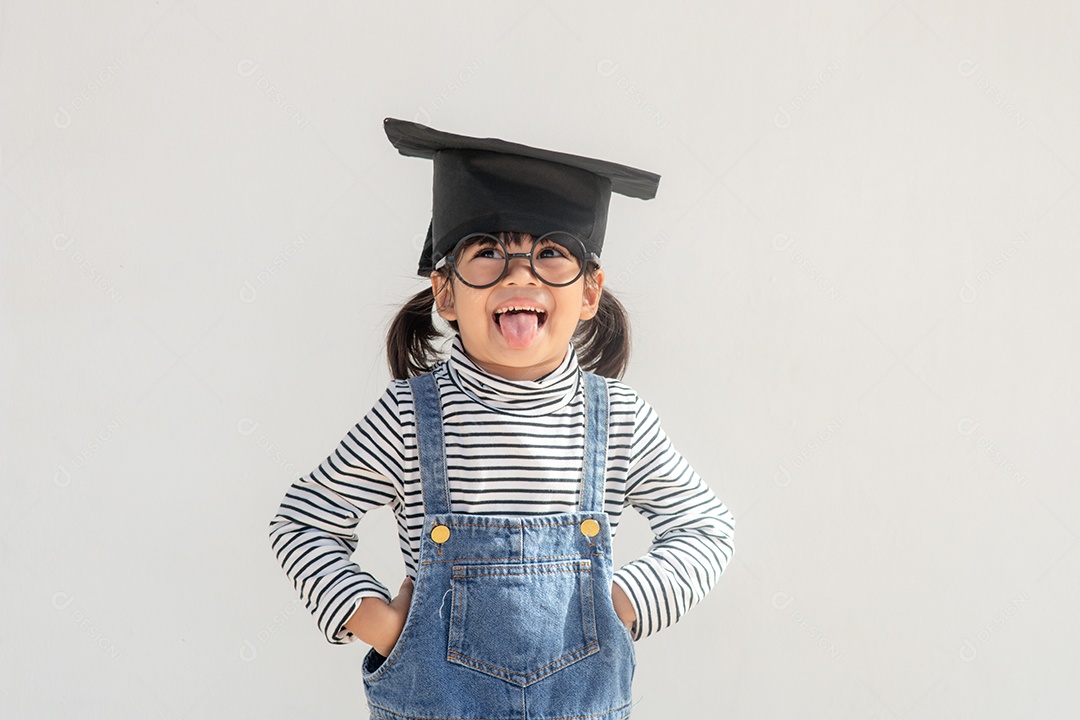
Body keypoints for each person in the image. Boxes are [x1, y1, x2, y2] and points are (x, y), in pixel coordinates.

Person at [268, 118, 735, 720]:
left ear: (590, 292)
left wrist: (621, 603)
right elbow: (302, 522)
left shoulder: (618, 418)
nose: (520, 274)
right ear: (444, 292)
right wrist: (383, 625)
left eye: (550, 253)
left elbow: (706, 529)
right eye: (487, 252)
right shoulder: (408, 417)